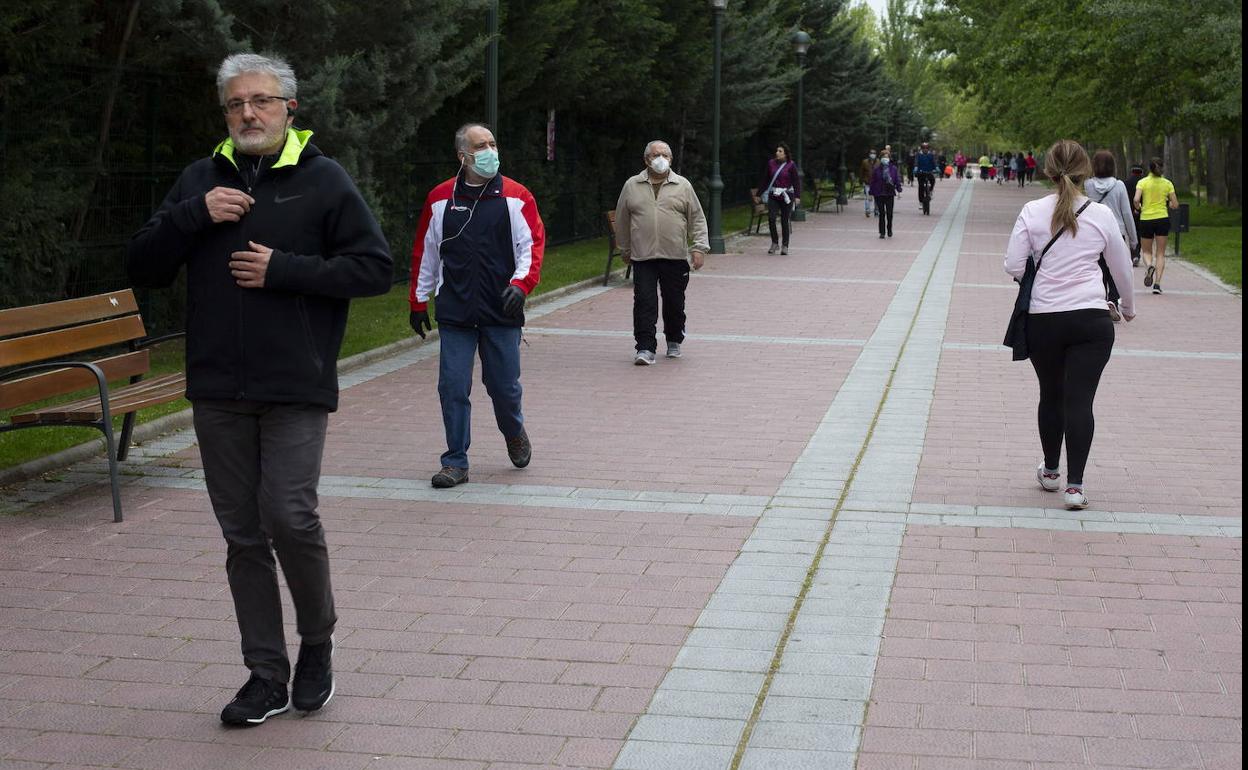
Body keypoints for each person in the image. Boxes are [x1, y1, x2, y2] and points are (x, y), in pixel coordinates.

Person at [127, 53, 394, 726]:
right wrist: (195, 214)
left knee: (289, 514)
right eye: (236, 103)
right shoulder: (200, 180)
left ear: (289, 108)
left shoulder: (324, 181)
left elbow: (373, 269)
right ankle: (264, 675)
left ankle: (318, 642)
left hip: (296, 383)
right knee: (243, 535)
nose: (249, 112)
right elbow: (144, 267)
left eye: (262, 101)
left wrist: (286, 270)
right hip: (217, 385)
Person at [409, 123, 544, 488]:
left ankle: (513, 431)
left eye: (492, 143)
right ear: (462, 156)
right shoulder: (440, 199)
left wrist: (521, 285)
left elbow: (530, 246)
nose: (489, 150)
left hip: (501, 312)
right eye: (480, 145)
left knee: (503, 387)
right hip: (456, 313)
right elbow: (427, 252)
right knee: (452, 387)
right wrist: (418, 301)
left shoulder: (515, 196)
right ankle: (455, 461)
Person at [1004, 139, 1134, 511]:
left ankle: (1050, 471)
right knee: (1081, 400)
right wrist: (1128, 306)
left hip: (1044, 319)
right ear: (1084, 170)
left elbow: (1013, 264)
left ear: (1047, 169)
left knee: (1051, 394)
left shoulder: (1032, 210)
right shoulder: (1101, 215)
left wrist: (1036, 277)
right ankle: (1075, 487)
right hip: (1091, 320)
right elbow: (1121, 266)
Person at [615, 140, 709, 365]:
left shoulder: (683, 185)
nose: (660, 159)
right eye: (656, 155)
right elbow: (622, 219)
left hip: (674, 255)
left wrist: (699, 247)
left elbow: (697, 217)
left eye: (665, 155)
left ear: (671, 159)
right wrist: (625, 248)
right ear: (646, 159)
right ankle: (645, 347)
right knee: (644, 302)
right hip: (643, 256)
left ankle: (674, 338)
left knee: (674, 302)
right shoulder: (632, 185)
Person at [1085, 150, 1139, 322]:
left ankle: (1099, 301)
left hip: (1094, 232)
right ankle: (1113, 300)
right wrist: (1133, 238)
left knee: (1099, 268)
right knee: (1115, 269)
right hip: (1116, 232)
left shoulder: (1087, 185)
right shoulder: (1119, 186)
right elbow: (1126, 213)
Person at [1133, 157, 1179, 294]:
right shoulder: (1167, 183)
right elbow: (1175, 204)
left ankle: (1149, 267)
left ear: (1149, 168)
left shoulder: (1142, 182)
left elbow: (1136, 199)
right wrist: (1170, 204)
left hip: (1146, 218)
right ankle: (1157, 284)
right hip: (1162, 219)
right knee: (1160, 253)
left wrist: (1139, 207)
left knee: (1147, 252)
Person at [758, 142, 801, 254]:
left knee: (784, 220)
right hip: (774, 195)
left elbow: (796, 181)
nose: (777, 153)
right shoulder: (771, 164)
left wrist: (797, 196)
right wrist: (759, 194)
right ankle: (775, 242)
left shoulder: (791, 165)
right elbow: (765, 179)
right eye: (777, 151)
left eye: (780, 151)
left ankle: (785, 245)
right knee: (771, 218)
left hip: (787, 196)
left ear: (785, 154)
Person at [869, 149, 903, 238]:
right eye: (884, 157)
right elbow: (873, 181)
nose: (885, 159)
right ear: (881, 158)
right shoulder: (877, 169)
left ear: (889, 158)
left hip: (889, 193)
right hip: (879, 193)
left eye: (887, 157)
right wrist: (871, 193)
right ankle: (882, 232)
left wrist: (899, 188)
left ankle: (889, 229)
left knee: (889, 213)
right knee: (881, 213)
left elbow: (896, 179)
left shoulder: (893, 169)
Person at [1122, 163, 1146, 265]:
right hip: (1142, 211)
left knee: (1131, 233)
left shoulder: (1125, 183)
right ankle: (1137, 254)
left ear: (1132, 171)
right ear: (1141, 172)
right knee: (1139, 233)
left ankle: (1132, 254)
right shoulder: (1144, 183)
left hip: (1129, 211)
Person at [914, 141, 938, 211]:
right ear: (921, 148)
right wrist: (915, 167)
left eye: (927, 148)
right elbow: (916, 162)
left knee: (932, 180)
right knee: (921, 186)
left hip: (929, 172)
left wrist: (936, 167)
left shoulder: (931, 155)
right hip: (921, 173)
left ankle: (930, 191)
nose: (925, 149)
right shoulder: (918, 155)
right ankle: (921, 202)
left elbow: (934, 162)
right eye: (923, 148)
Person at [859, 149, 877, 218]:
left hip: (876, 183)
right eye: (871, 153)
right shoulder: (865, 162)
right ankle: (867, 210)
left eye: (874, 153)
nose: (873, 155)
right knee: (867, 197)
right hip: (867, 182)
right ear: (869, 154)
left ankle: (876, 210)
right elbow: (862, 172)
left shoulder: (878, 162)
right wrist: (862, 180)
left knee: (877, 198)